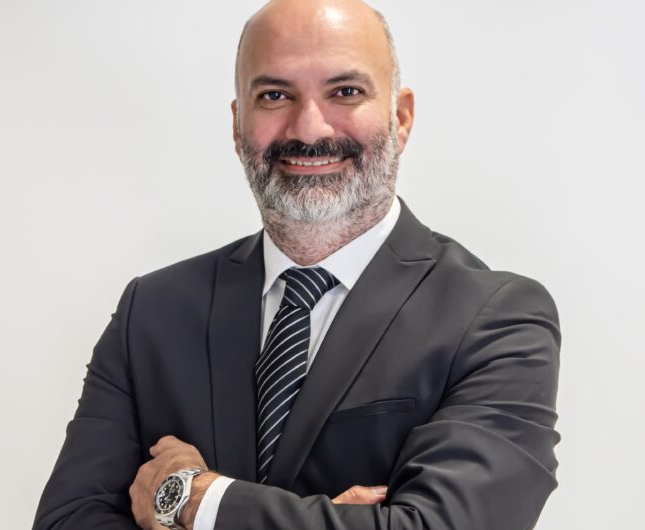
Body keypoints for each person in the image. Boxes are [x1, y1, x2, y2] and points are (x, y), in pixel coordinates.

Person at [33, 0, 561, 529]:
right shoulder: (151, 312)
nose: (308, 130)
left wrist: (194, 500)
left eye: (345, 92)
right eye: (274, 95)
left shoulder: (495, 319)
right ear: (238, 124)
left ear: (400, 118)